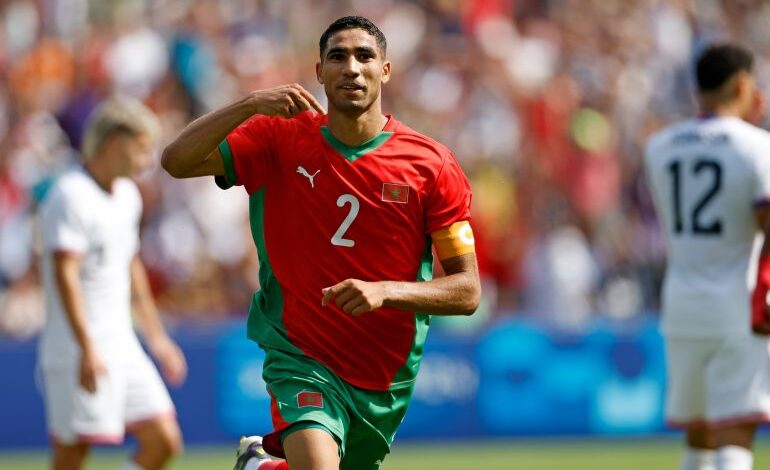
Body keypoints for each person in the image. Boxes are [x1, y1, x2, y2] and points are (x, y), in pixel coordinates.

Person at [162, 15, 481, 470]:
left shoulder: (430, 165)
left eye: (364, 56)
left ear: (385, 70)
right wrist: (249, 104)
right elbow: (176, 160)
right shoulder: (278, 138)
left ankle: (260, 466)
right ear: (319, 72)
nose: (352, 67)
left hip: (383, 376)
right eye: (338, 56)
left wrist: (386, 290)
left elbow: (468, 291)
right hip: (301, 355)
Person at [38, 96, 187, 470]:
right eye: (141, 147)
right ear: (114, 143)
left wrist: (157, 338)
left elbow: (130, 264)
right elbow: (65, 275)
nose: (147, 158)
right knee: (71, 456)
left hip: (122, 343)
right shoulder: (70, 194)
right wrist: (86, 348)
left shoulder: (128, 196)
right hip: (75, 348)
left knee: (164, 440)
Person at [645, 43, 770, 470]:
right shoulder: (757, 146)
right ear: (742, 83)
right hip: (740, 300)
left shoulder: (660, 146)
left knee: (698, 433)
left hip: (681, 301)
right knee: (735, 430)